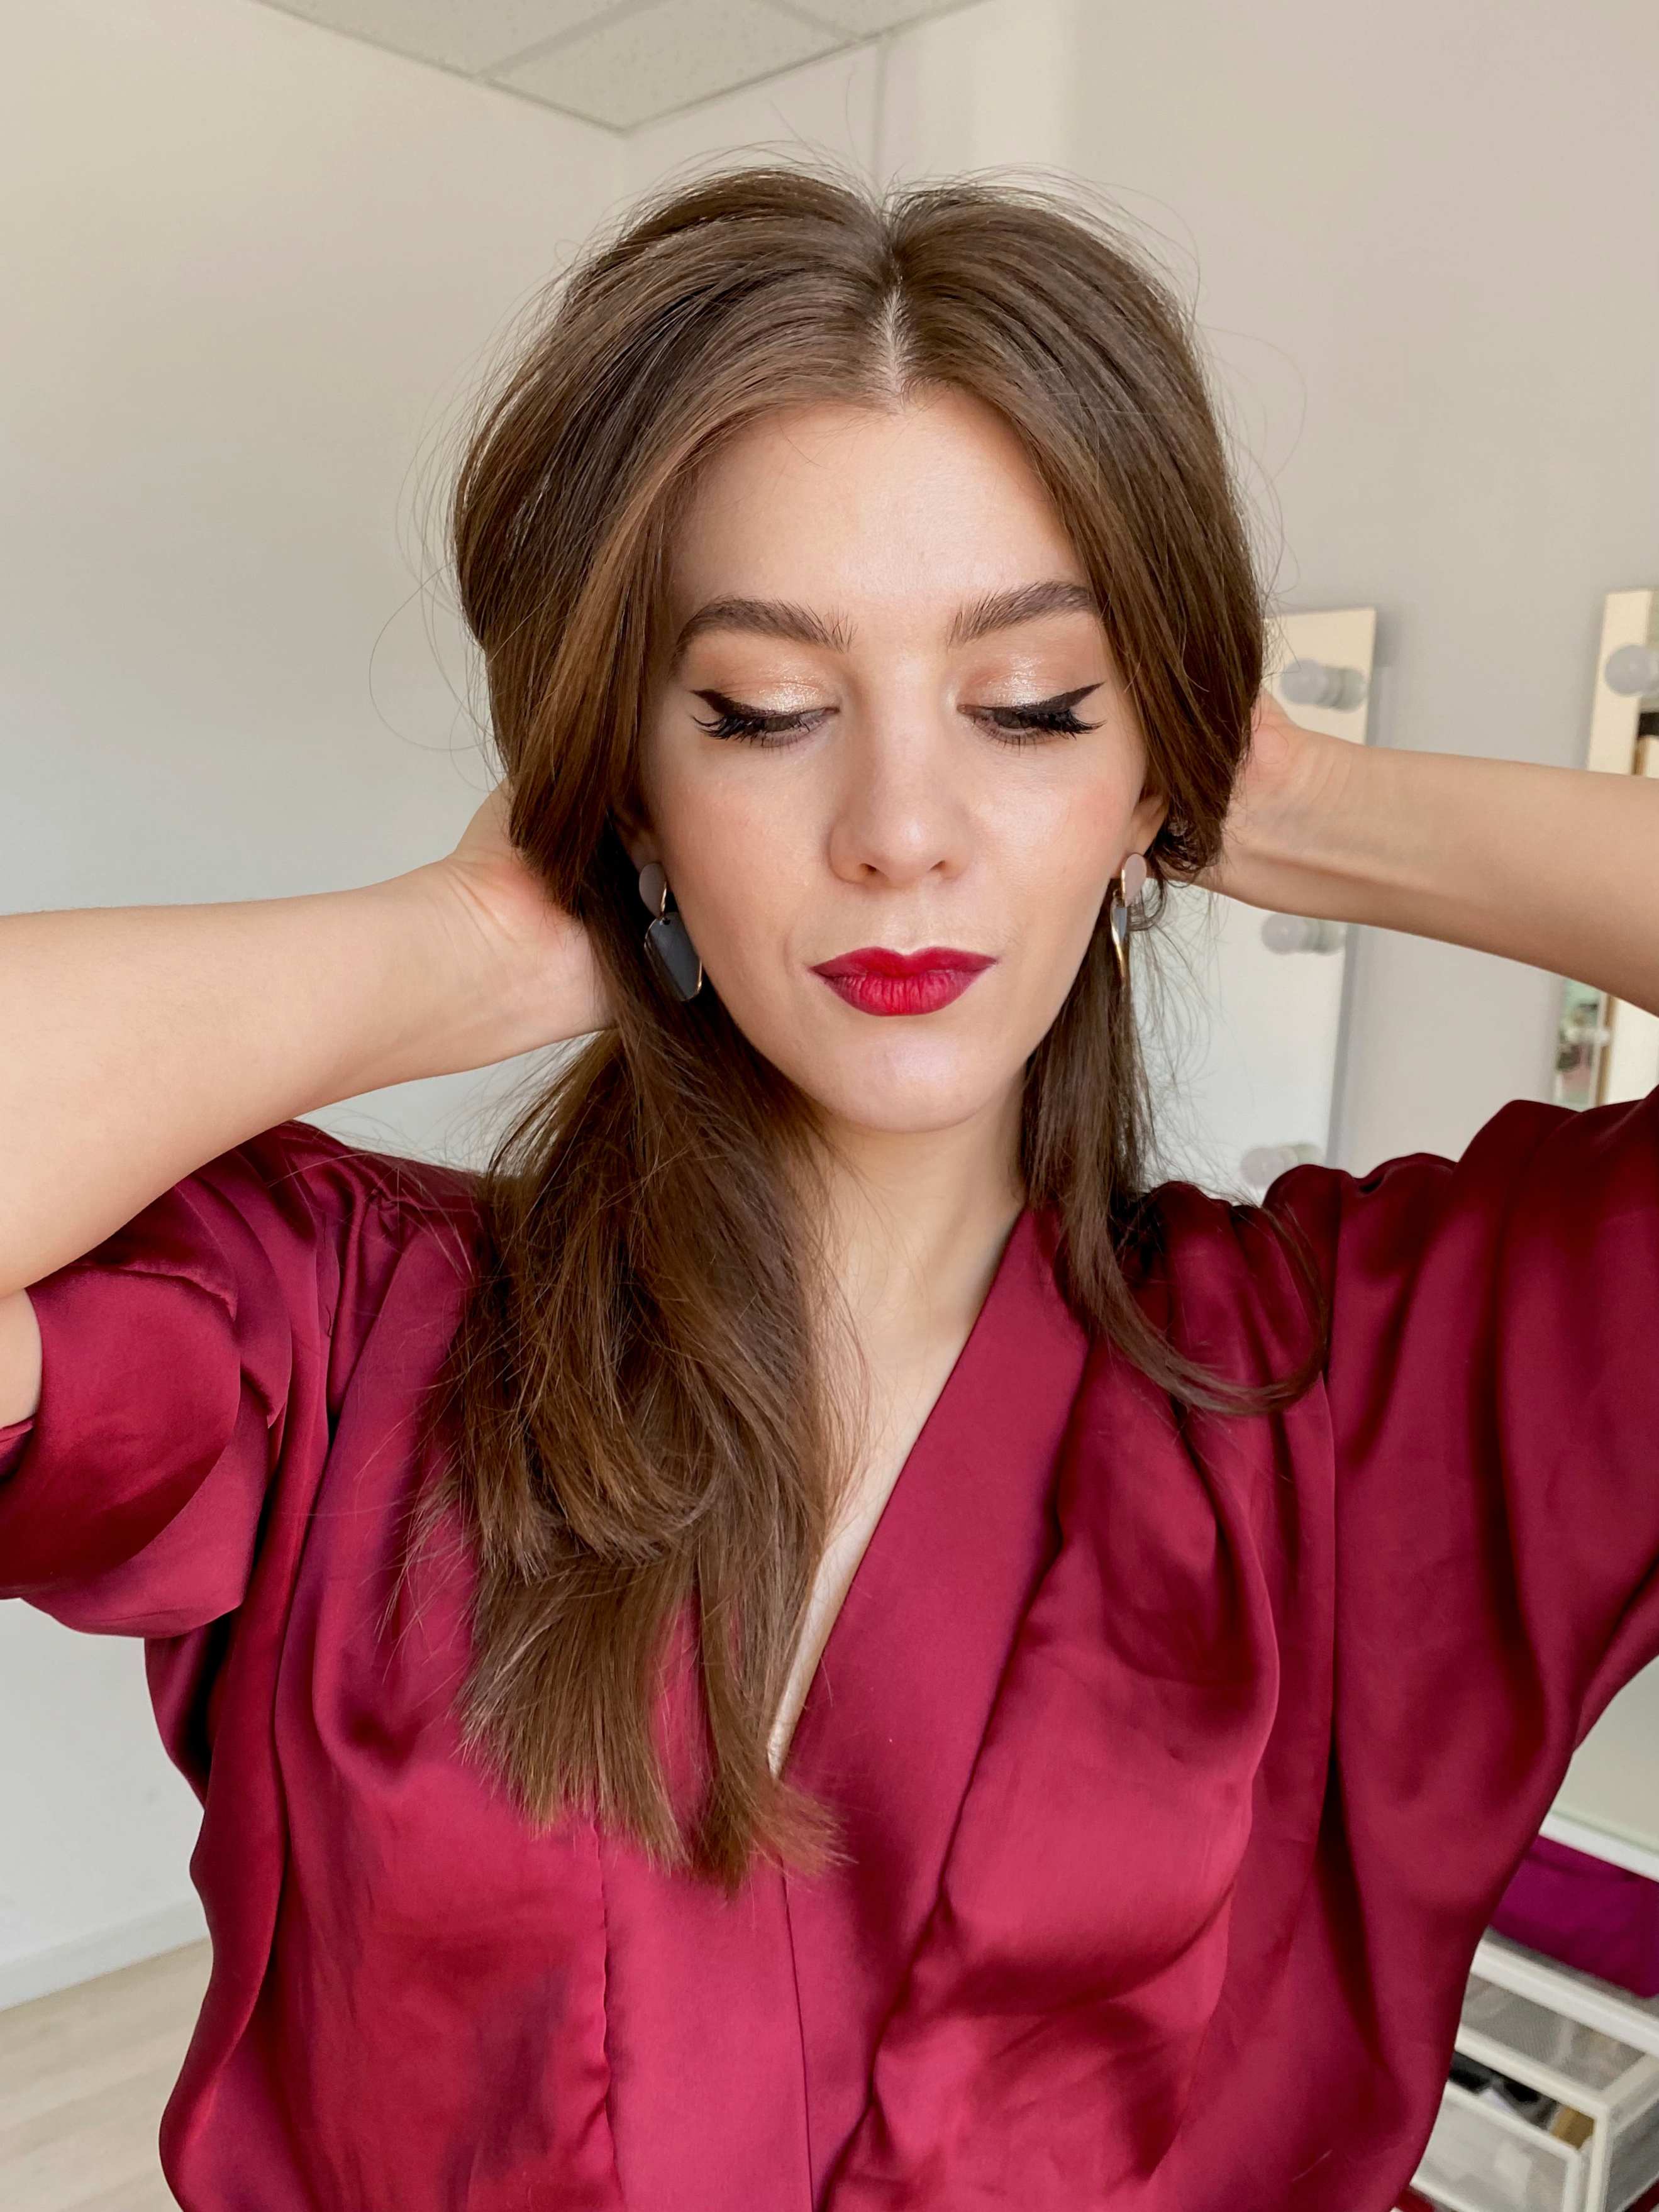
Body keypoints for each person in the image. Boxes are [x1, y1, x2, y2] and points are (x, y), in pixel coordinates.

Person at [3, 164, 1657, 2212]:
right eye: (766, 714)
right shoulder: (344, 1344)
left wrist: (1305, 803)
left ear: (1154, 763)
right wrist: (470, 941)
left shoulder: (1371, 1401)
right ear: (631, 778)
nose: (900, 828)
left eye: (1033, 706)